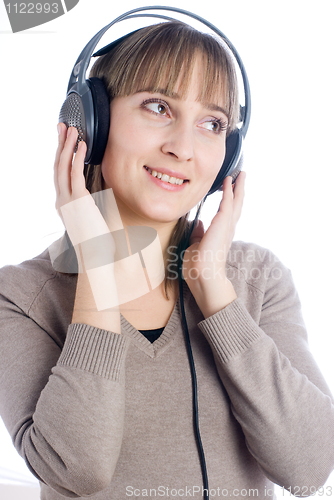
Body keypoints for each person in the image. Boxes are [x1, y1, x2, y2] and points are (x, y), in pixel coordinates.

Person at [0, 18, 333, 500]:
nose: (183, 147)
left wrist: (215, 290)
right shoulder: (20, 298)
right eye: (158, 106)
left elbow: (309, 467)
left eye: (212, 124)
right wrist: (97, 264)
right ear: (90, 124)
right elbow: (76, 469)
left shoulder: (259, 280)